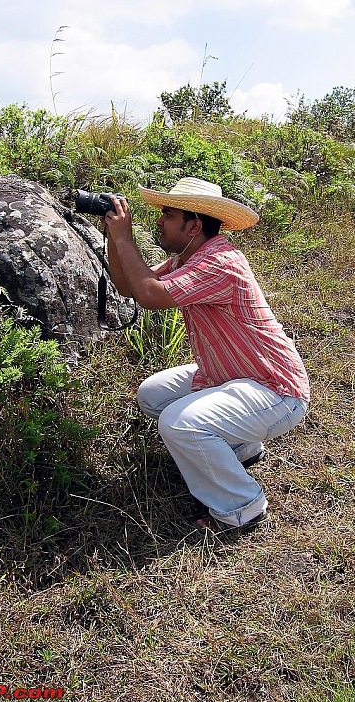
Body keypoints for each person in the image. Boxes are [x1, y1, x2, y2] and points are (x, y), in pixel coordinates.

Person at [104, 176, 310, 532]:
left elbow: (151, 297)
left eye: (168, 215)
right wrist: (114, 237)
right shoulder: (189, 257)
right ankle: (241, 448)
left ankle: (241, 508)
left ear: (194, 225)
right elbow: (129, 287)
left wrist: (125, 238)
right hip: (236, 377)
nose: (159, 221)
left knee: (179, 422)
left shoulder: (219, 262)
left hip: (276, 391)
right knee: (152, 395)